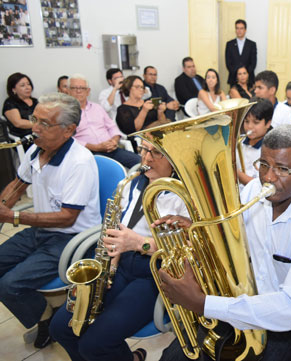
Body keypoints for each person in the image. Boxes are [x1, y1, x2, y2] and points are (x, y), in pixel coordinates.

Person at [157, 125, 291, 361]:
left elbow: (289, 309)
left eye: (282, 169)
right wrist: (198, 228)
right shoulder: (255, 190)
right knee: (174, 357)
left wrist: (203, 304)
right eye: (263, 164)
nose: (268, 177)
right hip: (244, 299)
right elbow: (232, 239)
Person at [49, 139, 189, 361]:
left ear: (173, 158)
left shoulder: (184, 194)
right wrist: (108, 267)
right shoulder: (132, 183)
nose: (146, 158)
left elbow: (187, 249)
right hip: (121, 263)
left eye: (156, 153)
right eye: (143, 149)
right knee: (60, 328)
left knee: (94, 345)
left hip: (156, 274)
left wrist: (141, 243)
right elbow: (115, 226)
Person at [0, 92, 100, 349]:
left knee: (10, 285)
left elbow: (67, 218)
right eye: (35, 119)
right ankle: (47, 313)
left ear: (69, 130)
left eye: (45, 123)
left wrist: (13, 216)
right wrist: (4, 205)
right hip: (42, 230)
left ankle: (47, 320)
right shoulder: (37, 149)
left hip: (70, 237)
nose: (35, 128)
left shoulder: (79, 162)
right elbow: (17, 185)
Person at [68, 74, 141, 168]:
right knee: (110, 170)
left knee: (141, 163)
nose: (78, 91)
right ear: (68, 91)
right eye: (74, 88)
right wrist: (94, 147)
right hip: (88, 153)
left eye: (82, 88)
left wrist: (114, 141)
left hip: (111, 148)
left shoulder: (97, 108)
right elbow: (68, 139)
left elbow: (112, 127)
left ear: (88, 91)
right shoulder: (65, 112)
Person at [116, 75, 167, 149]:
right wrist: (144, 110)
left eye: (142, 87)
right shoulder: (123, 109)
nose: (141, 90)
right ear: (129, 88)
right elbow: (133, 131)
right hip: (141, 141)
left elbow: (162, 122)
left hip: (158, 135)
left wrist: (160, 112)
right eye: (137, 87)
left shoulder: (148, 103)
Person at [237, 98, 273, 187]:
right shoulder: (240, 142)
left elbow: (260, 185)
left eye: (256, 122)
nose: (249, 127)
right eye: (246, 121)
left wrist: (233, 171)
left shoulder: (271, 149)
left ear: (268, 123)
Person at [2, 72, 37, 139]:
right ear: (13, 89)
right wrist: (40, 124)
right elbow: (18, 123)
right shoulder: (10, 103)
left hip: (38, 133)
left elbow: (37, 117)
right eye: (22, 85)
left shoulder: (35, 101)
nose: (27, 87)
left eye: (28, 84)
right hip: (22, 138)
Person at [225, 19, 257, 86]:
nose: (239, 31)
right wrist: (237, 74)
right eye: (237, 28)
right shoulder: (229, 44)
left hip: (249, 80)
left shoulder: (252, 44)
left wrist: (245, 74)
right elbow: (228, 63)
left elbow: (253, 63)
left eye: (241, 28)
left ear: (245, 30)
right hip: (234, 78)